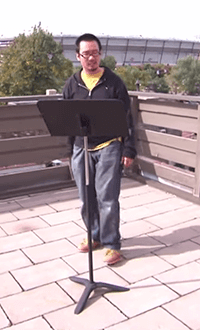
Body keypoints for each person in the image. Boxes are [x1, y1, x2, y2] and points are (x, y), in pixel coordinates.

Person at [62, 33, 136, 265]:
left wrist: (129, 149)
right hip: (81, 148)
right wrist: (69, 151)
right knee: (86, 198)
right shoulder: (72, 84)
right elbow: (65, 120)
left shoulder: (114, 83)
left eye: (95, 53)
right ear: (78, 56)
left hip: (109, 147)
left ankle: (112, 244)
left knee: (108, 198)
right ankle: (94, 236)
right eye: (86, 54)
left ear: (100, 54)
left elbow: (128, 119)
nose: (91, 58)